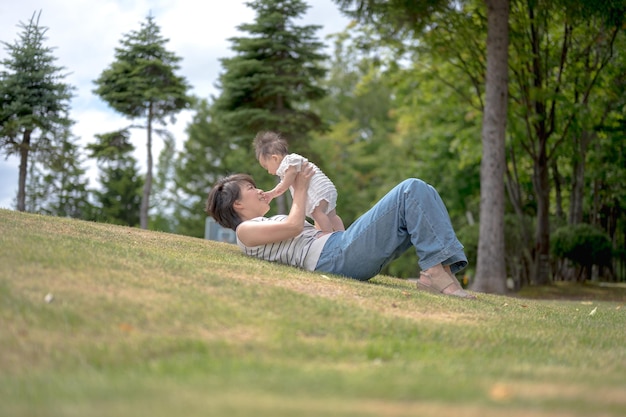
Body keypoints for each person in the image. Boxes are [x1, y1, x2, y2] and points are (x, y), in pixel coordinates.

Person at [205, 163, 475, 299]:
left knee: (422, 192)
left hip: (337, 250)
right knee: (411, 189)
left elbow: (327, 233)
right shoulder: (245, 231)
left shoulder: (267, 221)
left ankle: (438, 273)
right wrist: (298, 188)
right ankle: (435, 272)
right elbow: (294, 226)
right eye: (252, 189)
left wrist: (323, 211)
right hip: (333, 259)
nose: (260, 191)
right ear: (237, 203)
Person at [253, 131, 344, 233]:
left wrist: (273, 193)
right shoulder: (289, 166)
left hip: (320, 190)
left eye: (266, 167)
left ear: (275, 158)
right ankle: (343, 233)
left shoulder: (289, 162)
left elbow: (285, 184)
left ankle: (327, 234)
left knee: (317, 213)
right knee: (331, 215)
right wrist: (272, 193)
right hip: (326, 189)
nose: (269, 172)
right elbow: (284, 183)